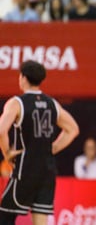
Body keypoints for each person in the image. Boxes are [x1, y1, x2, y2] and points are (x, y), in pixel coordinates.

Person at [0, 60, 79, 225]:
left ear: (22, 77)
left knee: (4, 215)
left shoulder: (17, 103)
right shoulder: (52, 103)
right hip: (47, 170)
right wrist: (53, 148)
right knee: (40, 220)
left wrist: (7, 153)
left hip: (25, 169)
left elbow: (1, 131)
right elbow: (73, 129)